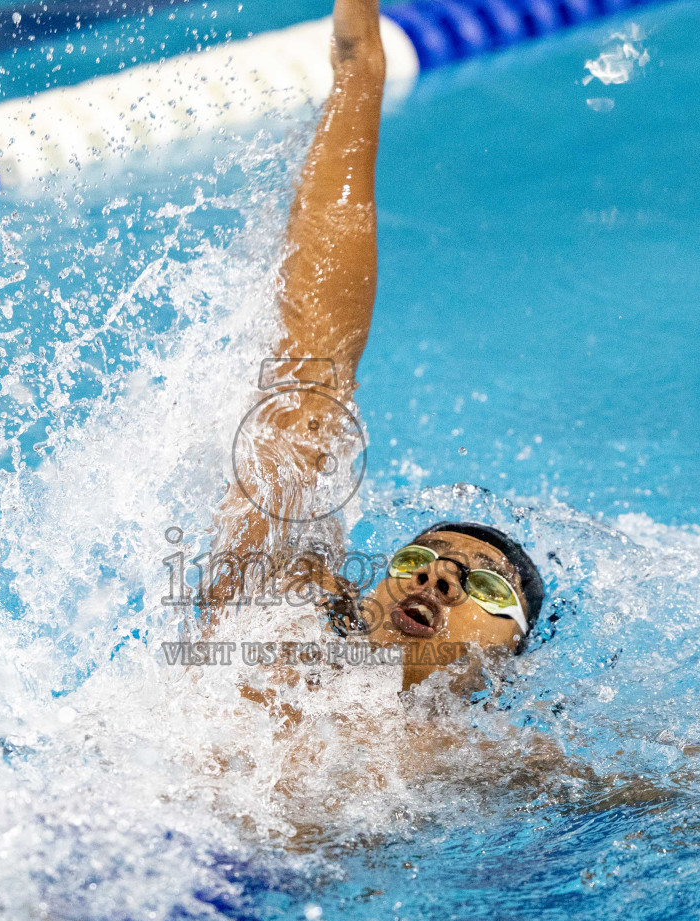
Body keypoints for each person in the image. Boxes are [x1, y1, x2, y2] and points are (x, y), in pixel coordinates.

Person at [204, 0, 546, 696]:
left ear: (511, 663)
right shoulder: (272, 634)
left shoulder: (503, 767)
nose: (436, 576)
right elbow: (313, 372)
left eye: (484, 584)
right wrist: (360, 77)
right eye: (421, 557)